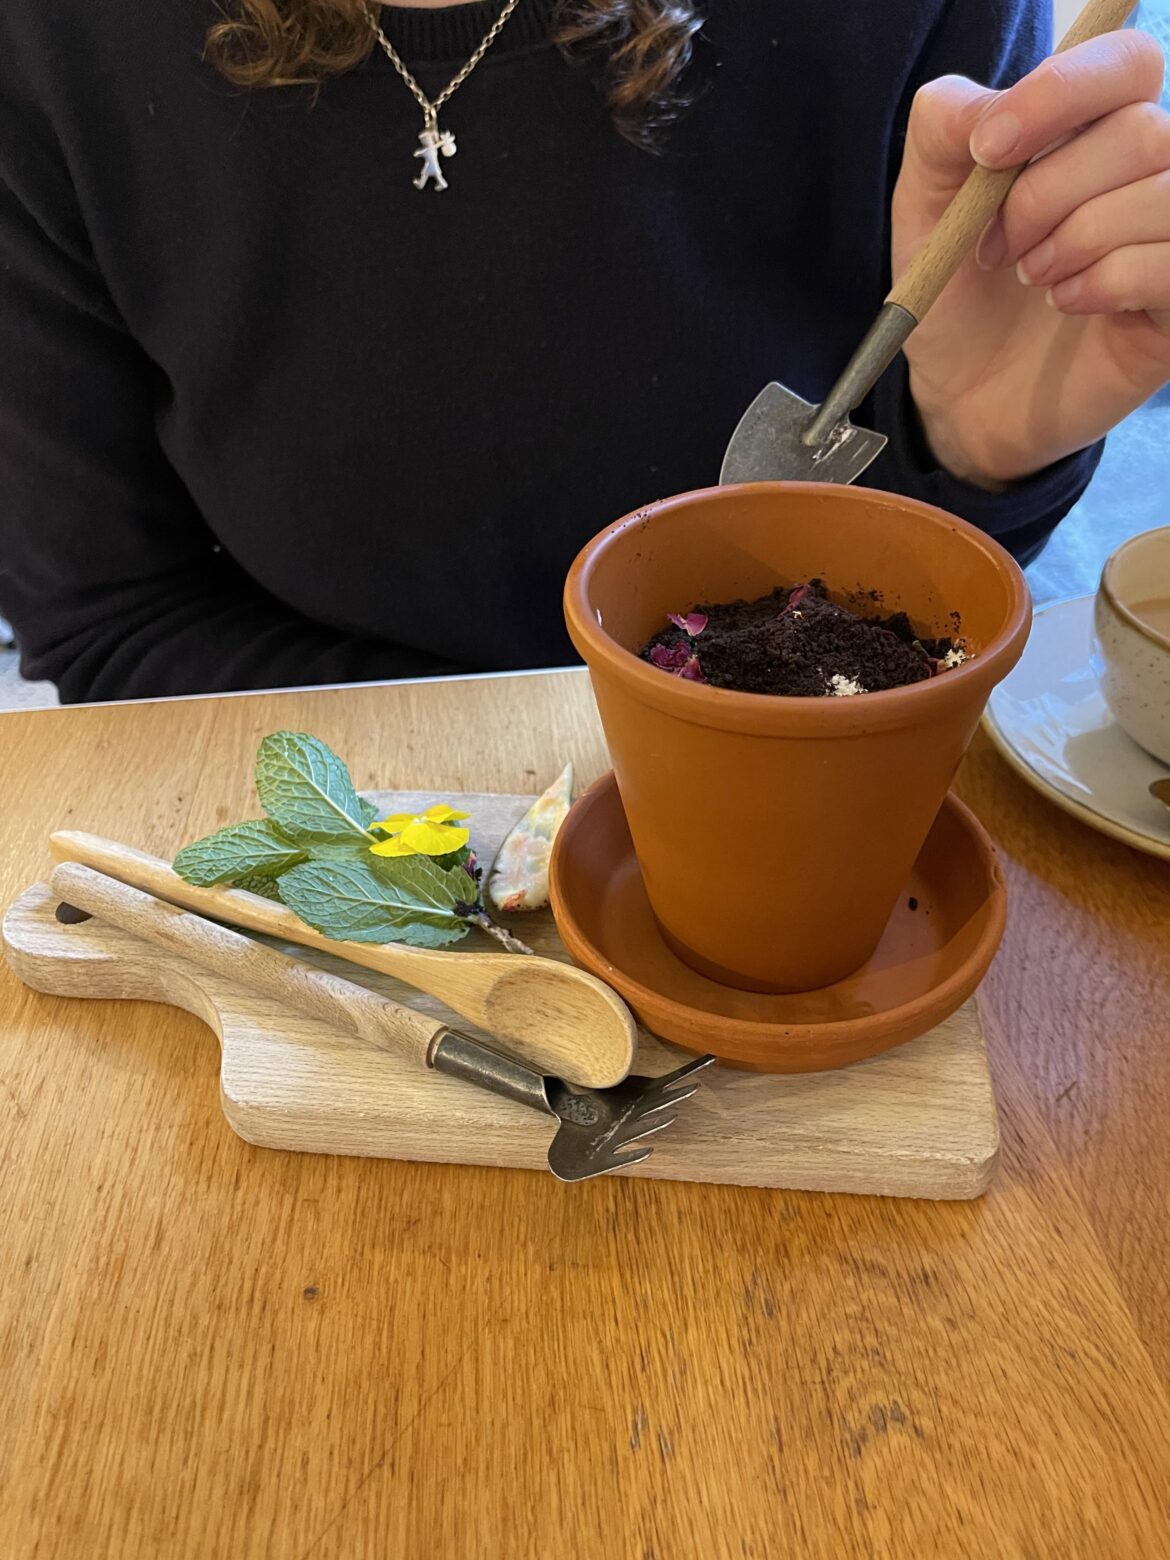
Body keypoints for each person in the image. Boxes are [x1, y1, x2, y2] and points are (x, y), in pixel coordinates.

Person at [1, 0, 1168, 704]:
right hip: (319, 819)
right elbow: (111, 616)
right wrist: (554, 777)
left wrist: (971, 459)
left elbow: (918, 609)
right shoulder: (48, 47)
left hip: (812, 762)